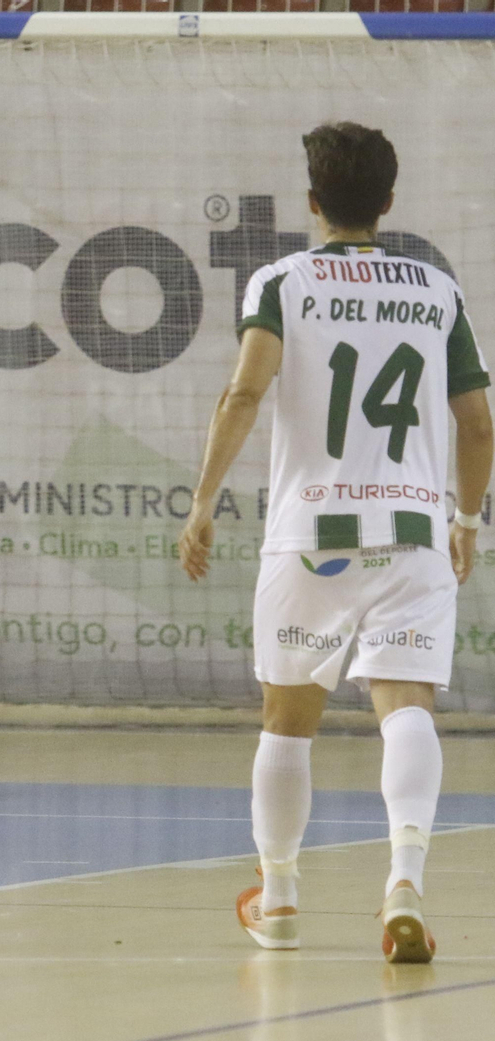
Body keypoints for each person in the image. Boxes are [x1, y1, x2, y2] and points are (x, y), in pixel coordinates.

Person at [178, 124, 492, 963]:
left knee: (287, 725)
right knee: (407, 710)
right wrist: (467, 521)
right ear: (389, 202)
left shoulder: (282, 281)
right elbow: (478, 424)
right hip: (414, 531)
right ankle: (405, 882)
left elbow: (245, 391)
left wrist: (203, 502)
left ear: (312, 202)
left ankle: (278, 898)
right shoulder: (436, 291)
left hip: (310, 533)